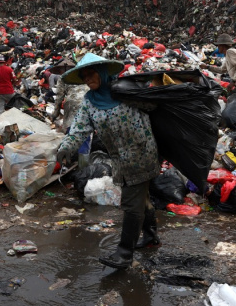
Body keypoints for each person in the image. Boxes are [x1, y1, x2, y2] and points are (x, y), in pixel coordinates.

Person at [56, 53, 160, 270]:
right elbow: (79, 129)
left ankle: (124, 254)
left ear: (103, 73)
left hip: (142, 153)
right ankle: (150, 235)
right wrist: (66, 147)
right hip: (119, 158)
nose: (87, 79)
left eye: (91, 74)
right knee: (142, 197)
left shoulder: (125, 90)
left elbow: (154, 107)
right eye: (84, 76)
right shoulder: (90, 102)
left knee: (132, 204)